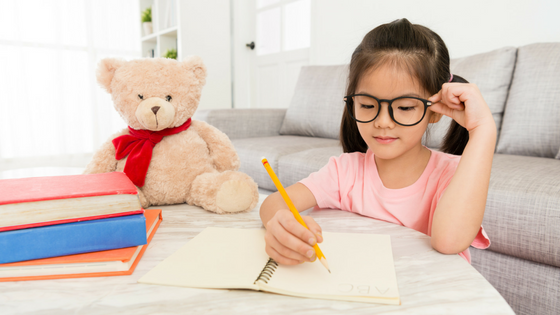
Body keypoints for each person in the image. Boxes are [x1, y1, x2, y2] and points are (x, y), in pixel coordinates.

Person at [259, 18, 494, 265]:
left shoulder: (455, 174)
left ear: (435, 110)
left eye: (403, 107)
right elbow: (273, 204)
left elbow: (449, 242)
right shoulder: (344, 171)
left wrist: (483, 130)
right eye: (368, 105)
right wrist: (282, 225)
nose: (383, 122)